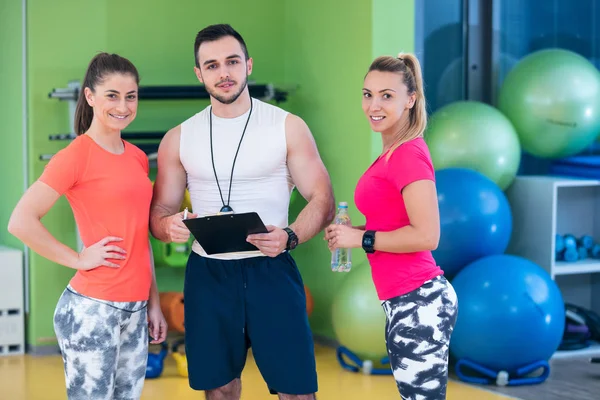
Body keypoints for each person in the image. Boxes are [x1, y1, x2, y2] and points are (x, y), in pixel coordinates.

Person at [149, 24, 334, 400]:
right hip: (208, 274)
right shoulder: (179, 137)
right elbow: (160, 213)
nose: (224, 73)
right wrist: (169, 226)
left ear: (248, 64)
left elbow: (322, 199)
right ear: (199, 74)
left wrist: (290, 236)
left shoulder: (287, 127)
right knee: (219, 388)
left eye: (232, 61)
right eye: (212, 65)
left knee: (297, 391)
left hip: (272, 269)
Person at [8, 52, 167, 400]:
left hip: (136, 308)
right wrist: (77, 259)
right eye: (112, 95)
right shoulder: (76, 155)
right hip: (93, 308)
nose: (123, 105)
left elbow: (141, 238)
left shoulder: (138, 156)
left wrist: (153, 303)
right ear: (90, 96)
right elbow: (20, 221)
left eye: (131, 96)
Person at [324, 53, 459, 399]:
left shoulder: (407, 154)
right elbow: (393, 222)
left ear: (410, 100)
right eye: (368, 94)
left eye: (387, 95)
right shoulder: (392, 152)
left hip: (419, 299)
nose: (374, 105)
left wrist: (362, 238)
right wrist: (353, 232)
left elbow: (427, 235)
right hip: (403, 299)